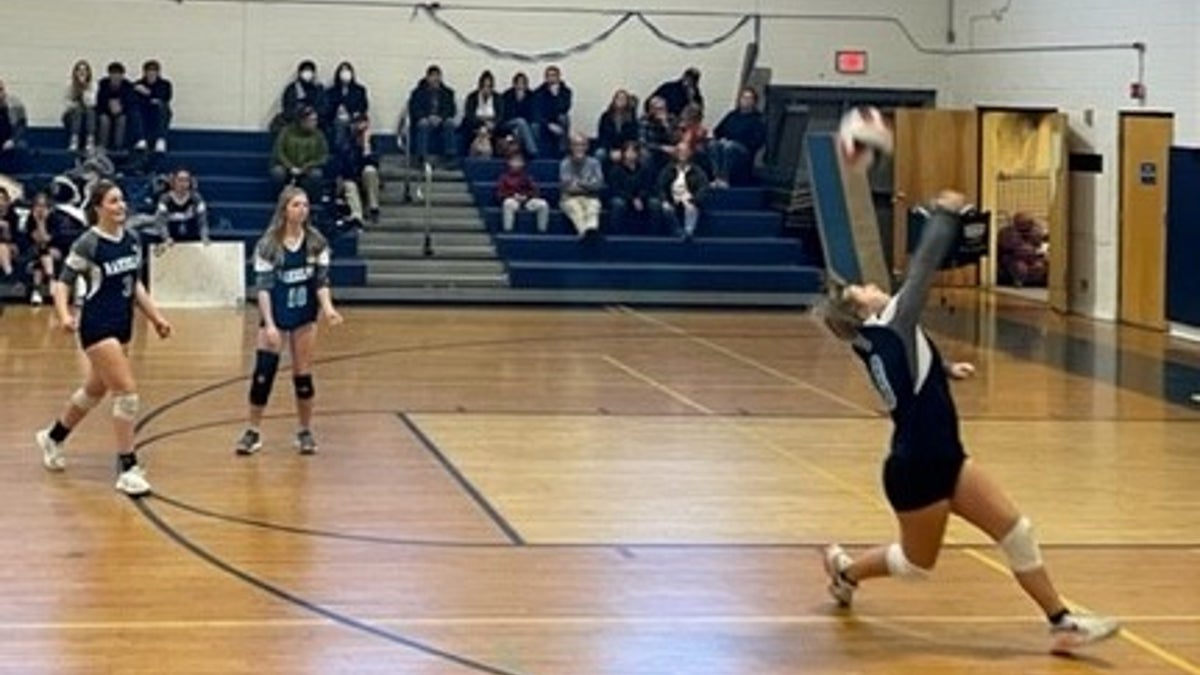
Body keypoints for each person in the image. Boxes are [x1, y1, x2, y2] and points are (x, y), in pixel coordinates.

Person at [817, 190, 1121, 654]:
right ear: (865, 310)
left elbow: (907, 366)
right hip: (916, 468)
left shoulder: (876, 339)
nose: (874, 286)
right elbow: (922, 270)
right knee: (917, 565)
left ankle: (1062, 622)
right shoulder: (892, 321)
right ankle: (846, 571)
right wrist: (944, 214)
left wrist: (943, 371)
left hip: (945, 455)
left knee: (1016, 532)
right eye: (864, 288)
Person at [34, 180, 173, 496]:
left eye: (122, 200)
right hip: (97, 326)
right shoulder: (88, 244)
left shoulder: (132, 240)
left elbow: (134, 285)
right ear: (98, 208)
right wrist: (65, 315)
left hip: (124, 325)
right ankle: (128, 468)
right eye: (113, 201)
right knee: (127, 393)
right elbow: (62, 283)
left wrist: (156, 318)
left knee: (94, 391)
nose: (121, 206)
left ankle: (53, 437)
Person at [234, 186, 343, 457]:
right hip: (277, 314)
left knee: (302, 377)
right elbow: (263, 288)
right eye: (296, 205)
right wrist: (269, 324)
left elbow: (321, 281)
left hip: (304, 316)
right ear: (284, 209)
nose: (302, 210)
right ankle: (253, 430)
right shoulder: (269, 245)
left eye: (305, 205)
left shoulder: (316, 242)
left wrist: (328, 308)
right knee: (264, 374)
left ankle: (304, 430)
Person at [710, 87, 767, 187]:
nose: (746, 101)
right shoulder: (732, 115)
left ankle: (724, 178)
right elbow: (717, 130)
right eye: (744, 97)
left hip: (744, 149)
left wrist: (736, 141)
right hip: (726, 143)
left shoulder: (758, 119)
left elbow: (758, 140)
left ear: (754, 102)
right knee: (713, 144)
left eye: (749, 98)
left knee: (730, 147)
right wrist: (722, 139)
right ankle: (716, 177)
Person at [656, 141, 708, 241]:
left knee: (691, 208)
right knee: (667, 209)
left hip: (689, 199)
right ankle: (678, 232)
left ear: (690, 153)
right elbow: (660, 186)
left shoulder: (697, 170)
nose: (682, 154)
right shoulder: (668, 169)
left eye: (685, 151)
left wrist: (694, 200)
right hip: (672, 199)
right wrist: (664, 200)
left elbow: (703, 187)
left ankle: (689, 232)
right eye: (680, 151)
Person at [407, 65, 457, 167]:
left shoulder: (448, 93)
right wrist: (426, 117)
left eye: (438, 76)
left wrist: (440, 117)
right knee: (423, 124)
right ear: (427, 78)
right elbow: (414, 109)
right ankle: (422, 157)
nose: (436, 79)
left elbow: (451, 110)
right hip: (425, 120)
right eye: (433, 76)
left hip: (441, 121)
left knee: (450, 123)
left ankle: (450, 156)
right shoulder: (417, 92)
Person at [559, 133, 604, 242]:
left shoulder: (594, 163)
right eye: (576, 145)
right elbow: (567, 187)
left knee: (593, 208)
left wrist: (579, 184)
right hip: (569, 198)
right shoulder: (565, 163)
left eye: (582, 145)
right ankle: (586, 233)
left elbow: (598, 184)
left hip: (591, 197)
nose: (579, 148)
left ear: (587, 147)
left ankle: (591, 231)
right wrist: (588, 184)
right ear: (571, 147)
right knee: (576, 210)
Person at [154, 168, 210, 244]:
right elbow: (161, 222)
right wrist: (166, 237)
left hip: (190, 236)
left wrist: (204, 236)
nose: (183, 184)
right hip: (170, 236)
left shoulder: (196, 198)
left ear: (190, 183)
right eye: (180, 180)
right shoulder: (165, 199)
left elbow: (202, 221)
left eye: (186, 180)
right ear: (173, 182)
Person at [496, 152, 548, 233]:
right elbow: (500, 194)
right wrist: (513, 196)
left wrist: (526, 196)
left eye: (519, 162)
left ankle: (542, 231)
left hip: (527, 201)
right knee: (507, 203)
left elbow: (535, 191)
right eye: (514, 161)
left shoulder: (527, 177)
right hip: (513, 201)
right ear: (509, 163)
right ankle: (508, 230)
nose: (516, 164)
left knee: (543, 204)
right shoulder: (504, 178)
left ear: (523, 164)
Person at [22, 192, 57, 305]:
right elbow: (39, 240)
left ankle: (36, 292)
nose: (40, 209)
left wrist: (43, 222)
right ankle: (51, 280)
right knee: (42, 255)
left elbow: (47, 239)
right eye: (38, 205)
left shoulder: (54, 219)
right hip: (34, 250)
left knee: (45, 253)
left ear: (48, 207)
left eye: (43, 206)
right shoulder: (30, 220)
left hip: (55, 249)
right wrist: (39, 222)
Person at [133, 60, 173, 153]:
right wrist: (151, 98)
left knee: (163, 108)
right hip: (144, 110)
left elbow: (165, 97)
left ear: (158, 73)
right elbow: (135, 99)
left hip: (158, 111)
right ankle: (141, 139)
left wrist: (148, 93)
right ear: (144, 72)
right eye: (149, 71)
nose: (151, 74)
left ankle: (161, 139)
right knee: (135, 110)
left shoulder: (165, 84)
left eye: (154, 71)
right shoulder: (138, 84)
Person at [63, 59, 97, 154]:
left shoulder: (93, 85)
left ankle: (90, 141)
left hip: (87, 112)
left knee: (90, 112)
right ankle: (74, 140)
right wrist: (75, 104)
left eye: (85, 70)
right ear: (75, 72)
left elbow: (91, 103)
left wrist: (84, 89)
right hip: (72, 114)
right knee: (77, 110)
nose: (82, 72)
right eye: (79, 70)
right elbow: (67, 103)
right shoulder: (69, 85)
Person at [0, 79, 29, 174]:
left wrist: (13, 140)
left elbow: (22, 125)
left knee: (21, 148)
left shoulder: (15, 104)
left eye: (1, 90)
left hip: (11, 140)